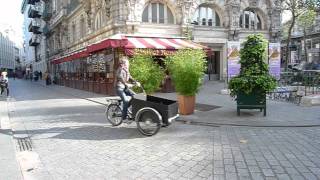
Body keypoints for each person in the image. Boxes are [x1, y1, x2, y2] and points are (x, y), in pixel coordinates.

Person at [115, 56, 139, 121]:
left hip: (125, 88)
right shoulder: (120, 70)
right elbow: (120, 77)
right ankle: (124, 117)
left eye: (128, 64)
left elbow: (130, 77)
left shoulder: (126, 70)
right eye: (126, 64)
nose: (128, 65)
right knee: (125, 101)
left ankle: (125, 109)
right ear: (122, 64)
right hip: (119, 88)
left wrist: (136, 82)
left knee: (136, 96)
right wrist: (126, 84)